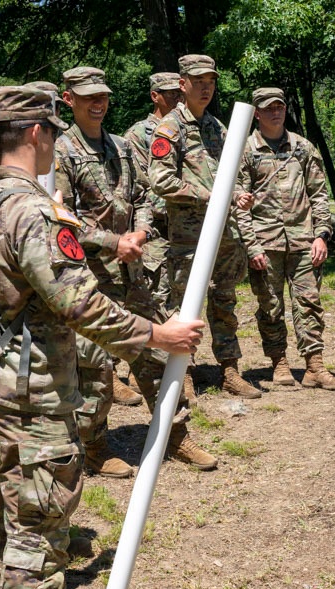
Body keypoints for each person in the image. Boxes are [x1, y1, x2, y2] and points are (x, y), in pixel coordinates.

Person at [0, 85, 204, 589]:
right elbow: (80, 304)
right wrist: (159, 335)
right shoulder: (32, 211)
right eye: (51, 130)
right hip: (32, 396)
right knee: (36, 537)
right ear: (36, 133)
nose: (53, 141)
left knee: (11, 524)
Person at [56, 66, 216, 472]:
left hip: (133, 274)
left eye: (103, 96)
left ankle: (175, 437)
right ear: (68, 99)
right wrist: (114, 242)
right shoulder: (62, 153)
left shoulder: (121, 146)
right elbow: (61, 217)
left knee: (158, 355)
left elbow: (145, 194)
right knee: (95, 368)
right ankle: (95, 449)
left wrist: (141, 232)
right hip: (91, 280)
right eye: (88, 98)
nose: (98, 104)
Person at [149, 54, 260, 399]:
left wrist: (237, 194)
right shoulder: (171, 128)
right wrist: (209, 196)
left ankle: (230, 370)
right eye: (198, 82)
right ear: (182, 85)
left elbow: (231, 173)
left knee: (225, 300)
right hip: (189, 233)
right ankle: (183, 373)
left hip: (225, 233)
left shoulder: (218, 127)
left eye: (210, 82)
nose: (206, 88)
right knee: (184, 305)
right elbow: (160, 180)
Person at [235, 87, 335, 390]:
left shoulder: (303, 148)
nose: (276, 112)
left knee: (309, 303)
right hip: (265, 242)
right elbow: (238, 204)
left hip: (303, 240)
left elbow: (319, 195)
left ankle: (315, 366)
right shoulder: (245, 152)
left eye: (280, 107)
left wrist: (322, 235)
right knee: (270, 306)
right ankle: (279, 363)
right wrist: (251, 245)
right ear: (256, 113)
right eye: (268, 108)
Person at [124, 72, 182, 318]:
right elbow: (141, 186)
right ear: (155, 96)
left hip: (186, 227)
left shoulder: (188, 129)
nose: (178, 98)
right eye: (171, 94)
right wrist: (184, 196)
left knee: (185, 296)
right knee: (155, 298)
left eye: (180, 93)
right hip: (156, 229)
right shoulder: (139, 134)